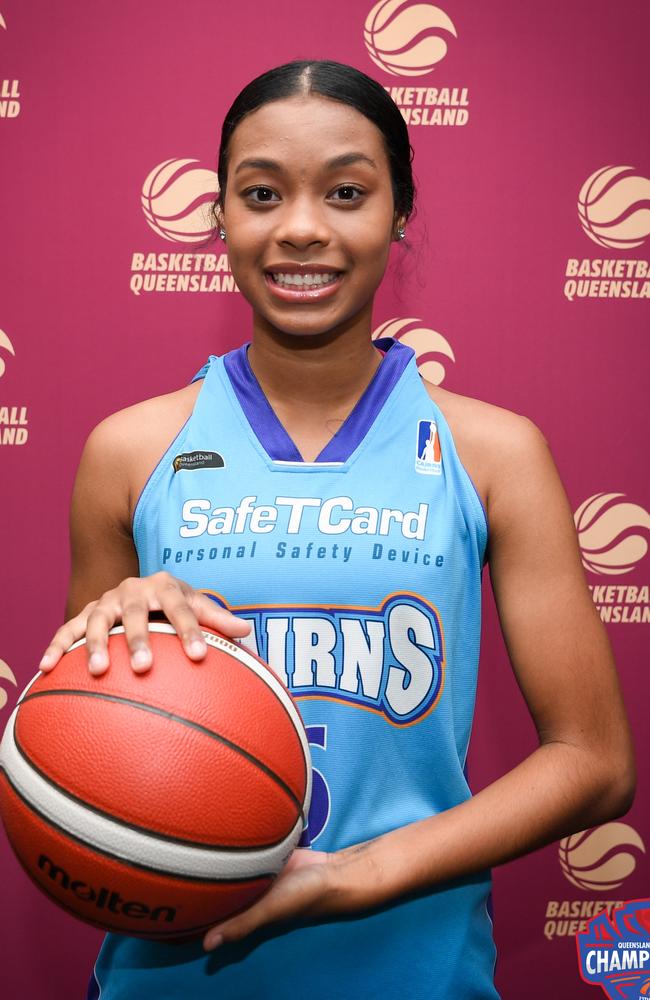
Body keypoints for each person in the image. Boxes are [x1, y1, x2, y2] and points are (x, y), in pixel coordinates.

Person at [40, 60, 635, 1000]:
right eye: (263, 193)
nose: (302, 228)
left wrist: (359, 874)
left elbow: (594, 764)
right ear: (219, 218)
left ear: (400, 213)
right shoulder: (128, 449)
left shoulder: (494, 453)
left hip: (414, 969)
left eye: (347, 191)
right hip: (172, 975)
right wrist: (124, 616)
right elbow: (76, 746)